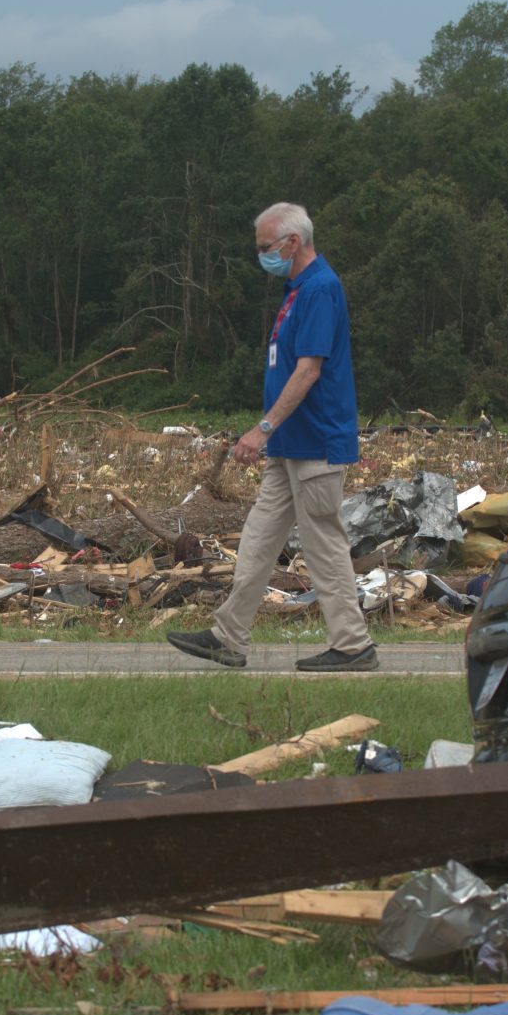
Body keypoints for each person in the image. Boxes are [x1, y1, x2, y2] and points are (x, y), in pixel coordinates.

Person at [169, 203, 378, 672]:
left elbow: (308, 371)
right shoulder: (296, 290)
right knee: (258, 542)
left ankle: (352, 645)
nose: (261, 256)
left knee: (323, 546)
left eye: (265, 248)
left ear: (292, 243)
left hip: (315, 443)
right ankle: (228, 637)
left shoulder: (321, 288)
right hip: (289, 447)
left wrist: (263, 428)